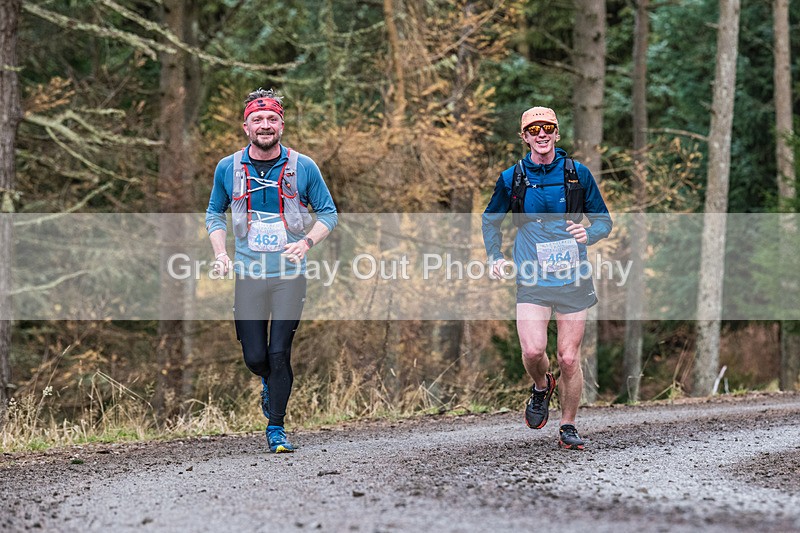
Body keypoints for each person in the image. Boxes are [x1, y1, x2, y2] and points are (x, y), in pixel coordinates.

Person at [205, 88, 338, 453]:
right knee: (255, 357)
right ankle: (269, 382)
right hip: (247, 273)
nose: (265, 125)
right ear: (246, 126)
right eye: (258, 120)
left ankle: (276, 427)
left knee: (279, 353)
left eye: (272, 119)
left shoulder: (303, 167)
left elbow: (329, 213)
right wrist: (220, 254)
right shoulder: (228, 167)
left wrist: (307, 242)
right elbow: (214, 212)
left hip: (288, 275)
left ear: (282, 125)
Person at [482, 106, 612, 450]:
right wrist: (495, 256)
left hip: (573, 277)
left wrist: (590, 234)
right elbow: (490, 220)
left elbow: (604, 221)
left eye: (548, 128)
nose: (541, 134)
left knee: (569, 357)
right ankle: (542, 385)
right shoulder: (511, 178)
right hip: (532, 276)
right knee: (533, 349)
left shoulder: (577, 174)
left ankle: (568, 425)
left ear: (556, 134)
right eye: (534, 129)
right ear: (524, 137)